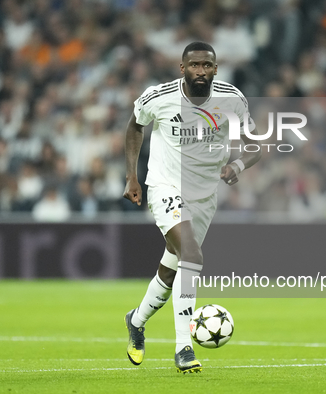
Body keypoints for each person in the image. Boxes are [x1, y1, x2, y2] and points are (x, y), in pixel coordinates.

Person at [123, 42, 261, 373]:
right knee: (192, 255)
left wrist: (238, 166)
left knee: (173, 268)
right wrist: (132, 176)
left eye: (207, 65)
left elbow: (256, 145)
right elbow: (135, 126)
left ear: (216, 69)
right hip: (164, 186)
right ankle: (183, 347)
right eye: (195, 65)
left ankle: (136, 320)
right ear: (182, 69)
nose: (201, 71)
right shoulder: (160, 96)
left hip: (203, 196)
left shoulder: (232, 99)